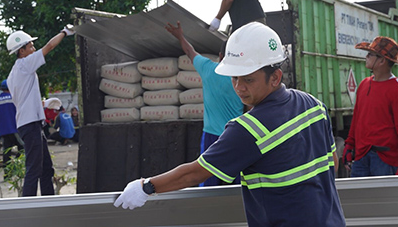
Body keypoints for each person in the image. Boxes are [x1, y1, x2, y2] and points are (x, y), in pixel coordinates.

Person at [115, 22, 345, 227]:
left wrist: (146, 187)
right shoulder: (314, 105)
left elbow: (194, 174)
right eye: (234, 78)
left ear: (275, 77)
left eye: (248, 79)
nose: (239, 87)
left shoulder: (249, 129)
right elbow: (332, 163)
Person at [165, 21, 243, 186]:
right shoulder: (242, 79)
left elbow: (189, 51)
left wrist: (180, 35)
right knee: (238, 181)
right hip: (236, 134)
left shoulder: (208, 69)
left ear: (220, 56)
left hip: (212, 136)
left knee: (207, 177)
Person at [6, 25, 75, 197]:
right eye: (30, 46)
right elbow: (49, 47)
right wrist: (65, 32)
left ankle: (48, 202)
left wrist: (42, 104)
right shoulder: (25, 64)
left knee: (46, 168)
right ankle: (28, 207)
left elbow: (23, 99)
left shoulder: (14, 74)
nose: (34, 48)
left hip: (30, 123)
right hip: (30, 125)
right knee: (34, 169)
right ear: (21, 51)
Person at [343, 36, 398, 177]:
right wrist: (349, 146)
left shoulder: (397, 89)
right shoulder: (364, 84)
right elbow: (357, 119)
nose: (366, 57)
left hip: (386, 160)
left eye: (370, 54)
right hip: (361, 157)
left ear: (382, 60)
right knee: (359, 199)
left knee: (385, 200)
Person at [0, 79, 24, 169]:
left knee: (7, 151)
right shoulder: (15, 98)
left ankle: (7, 173)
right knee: (23, 149)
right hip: (15, 128)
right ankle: (15, 165)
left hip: (3, 131)